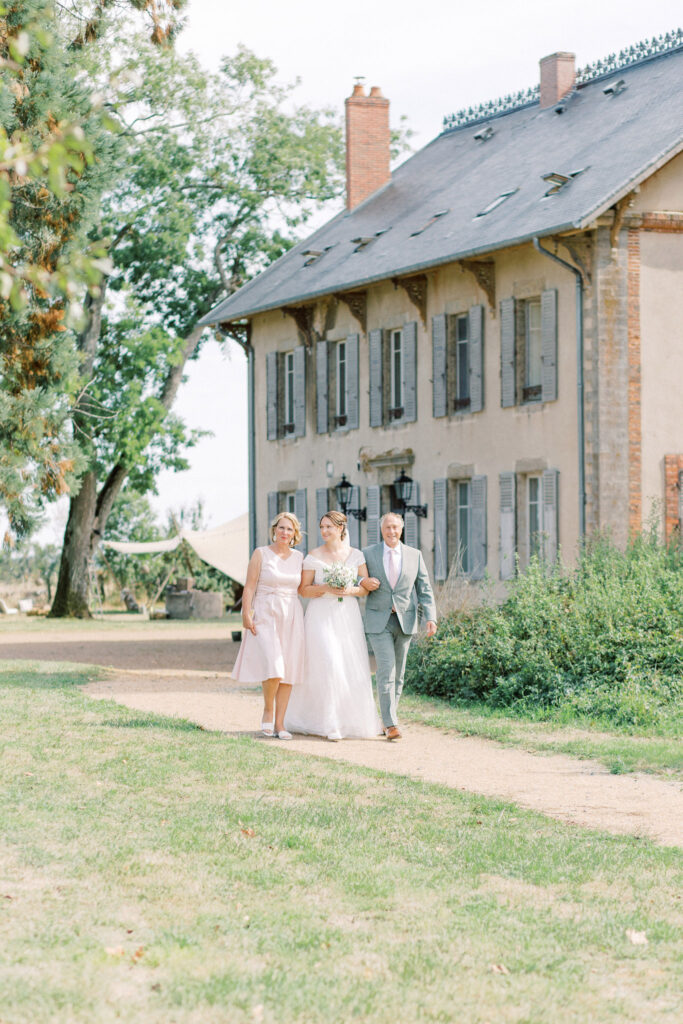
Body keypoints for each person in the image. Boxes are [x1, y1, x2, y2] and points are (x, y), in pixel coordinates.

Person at [285, 510, 382, 741]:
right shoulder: (313, 556)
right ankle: (330, 723)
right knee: (329, 662)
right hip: (320, 615)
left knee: (348, 664)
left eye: (329, 527)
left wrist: (349, 590)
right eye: (322, 527)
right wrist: (326, 588)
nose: (324, 531)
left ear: (340, 529)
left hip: (347, 614)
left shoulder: (356, 555)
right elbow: (304, 590)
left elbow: (364, 587)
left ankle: (348, 719)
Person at [362, 512, 437, 740]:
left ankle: (387, 718)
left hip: (405, 620)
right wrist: (362, 581)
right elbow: (356, 577)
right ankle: (391, 723)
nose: (391, 531)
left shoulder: (414, 555)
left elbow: (424, 588)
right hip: (379, 620)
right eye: (387, 527)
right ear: (382, 530)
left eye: (395, 527)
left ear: (401, 529)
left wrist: (430, 617)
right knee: (386, 670)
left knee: (400, 673)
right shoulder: (368, 554)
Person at [232, 511, 305, 739]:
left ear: (295, 534)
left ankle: (280, 724)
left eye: (289, 529)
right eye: (281, 528)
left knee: (288, 670)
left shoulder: (299, 557)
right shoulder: (260, 554)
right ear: (274, 530)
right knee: (274, 665)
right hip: (265, 612)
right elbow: (250, 586)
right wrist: (246, 613)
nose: (285, 532)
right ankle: (268, 710)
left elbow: (304, 587)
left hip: (292, 613)